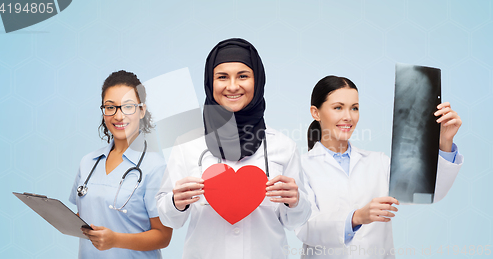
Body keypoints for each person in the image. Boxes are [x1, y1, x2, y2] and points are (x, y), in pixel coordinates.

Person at [156, 38, 311, 259]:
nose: (232, 86)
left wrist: (295, 201)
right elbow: (170, 220)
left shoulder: (283, 146)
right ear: (210, 83)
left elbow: (295, 221)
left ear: (257, 81)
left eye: (243, 76)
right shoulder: (187, 144)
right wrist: (175, 203)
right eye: (222, 77)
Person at [295, 75, 463, 259]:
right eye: (338, 108)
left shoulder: (378, 162)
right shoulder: (301, 166)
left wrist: (445, 141)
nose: (348, 117)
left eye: (354, 108)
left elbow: (431, 191)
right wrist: (356, 217)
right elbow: (305, 227)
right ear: (315, 112)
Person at [69, 70, 172, 258]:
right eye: (110, 107)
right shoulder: (88, 163)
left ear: (142, 110)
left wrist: (115, 240)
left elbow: (164, 236)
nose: (118, 116)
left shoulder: (155, 167)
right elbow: (86, 214)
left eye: (128, 106)